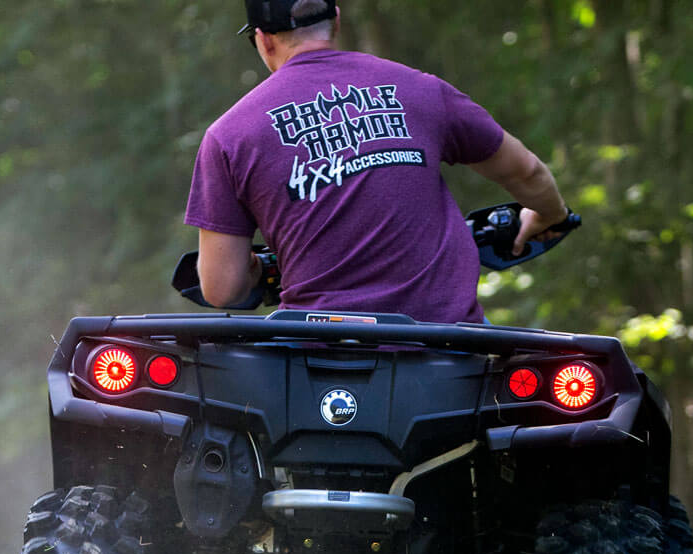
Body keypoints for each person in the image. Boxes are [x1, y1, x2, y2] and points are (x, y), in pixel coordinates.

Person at [186, 0, 575, 323]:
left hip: (318, 360)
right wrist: (548, 215)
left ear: (263, 41)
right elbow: (525, 171)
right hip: (448, 349)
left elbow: (221, 290)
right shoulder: (421, 89)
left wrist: (257, 269)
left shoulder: (229, 134)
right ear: (335, 20)